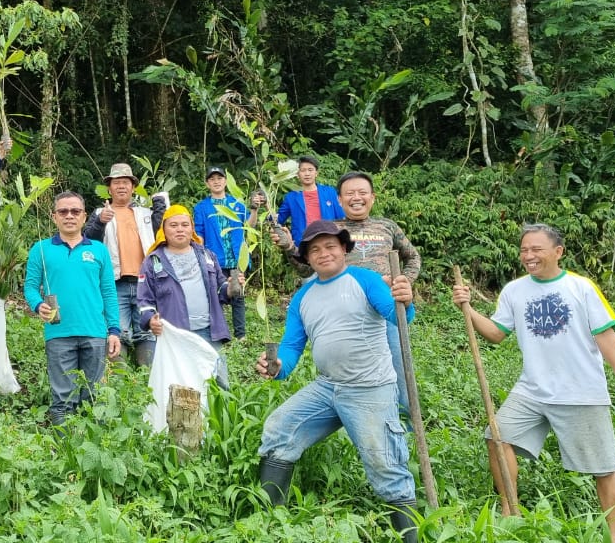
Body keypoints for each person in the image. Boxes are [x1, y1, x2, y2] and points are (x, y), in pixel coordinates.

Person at [451, 224, 615, 543]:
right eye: (524, 250)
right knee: (498, 437)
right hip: (532, 389)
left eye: (536, 249)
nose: (528, 255)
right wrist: (467, 308)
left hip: (580, 392)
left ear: (558, 252)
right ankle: (510, 512)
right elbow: (497, 334)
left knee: (604, 466)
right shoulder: (514, 290)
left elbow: (605, 334)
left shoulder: (581, 287)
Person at [253, 220, 418, 542]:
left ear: (344, 249)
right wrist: (276, 366)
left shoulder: (365, 279)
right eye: (314, 249)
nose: (323, 253)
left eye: (330, 246)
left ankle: (410, 535)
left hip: (370, 388)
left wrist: (404, 299)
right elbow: (291, 347)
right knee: (279, 428)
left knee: (384, 465)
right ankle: (270, 522)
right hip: (328, 386)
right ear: (307, 257)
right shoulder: (303, 297)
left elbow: (398, 316)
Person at [273, 171, 422, 413]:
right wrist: (290, 247)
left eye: (362, 192)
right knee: (352, 367)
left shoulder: (387, 226)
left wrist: (403, 282)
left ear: (372, 198)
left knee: (399, 364)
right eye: (349, 193)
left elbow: (412, 255)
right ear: (339, 200)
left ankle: (404, 418)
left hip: (385, 305)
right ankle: (353, 412)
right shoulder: (331, 230)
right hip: (346, 309)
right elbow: (304, 268)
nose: (356, 197)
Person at [24, 191, 121, 425]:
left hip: (95, 332)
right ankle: (65, 454)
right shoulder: (41, 249)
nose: (69, 216)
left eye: (75, 211)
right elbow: (29, 286)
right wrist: (38, 306)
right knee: (62, 400)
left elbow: (108, 292)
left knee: (93, 397)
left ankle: (91, 451)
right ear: (54, 216)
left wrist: (114, 330)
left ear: (84, 216)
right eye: (63, 211)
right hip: (58, 333)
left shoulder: (98, 250)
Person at [137, 205, 234, 388]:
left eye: (184, 224)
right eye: (173, 225)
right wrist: (151, 320)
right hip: (175, 335)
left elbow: (221, 288)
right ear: (163, 229)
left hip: (208, 332)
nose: (179, 229)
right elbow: (144, 300)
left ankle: (219, 417)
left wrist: (232, 288)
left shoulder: (207, 255)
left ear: (192, 228)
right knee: (180, 387)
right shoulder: (153, 261)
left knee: (218, 384)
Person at [82, 163, 165, 365]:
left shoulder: (145, 213)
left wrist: (161, 207)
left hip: (145, 282)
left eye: (125, 182)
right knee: (117, 329)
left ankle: (147, 378)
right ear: (109, 188)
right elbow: (88, 243)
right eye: (116, 182)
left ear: (133, 187)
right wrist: (100, 221)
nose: (121, 186)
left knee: (146, 330)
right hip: (114, 283)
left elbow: (162, 236)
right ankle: (120, 381)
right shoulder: (100, 212)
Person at [192, 166, 249, 340]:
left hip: (238, 257)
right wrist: (202, 256)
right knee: (217, 296)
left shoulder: (237, 204)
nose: (216, 182)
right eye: (212, 179)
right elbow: (198, 234)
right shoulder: (201, 207)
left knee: (238, 294)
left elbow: (249, 226)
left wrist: (254, 210)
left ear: (225, 181)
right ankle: (220, 333)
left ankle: (241, 335)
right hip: (214, 259)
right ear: (207, 183)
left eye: (219, 178)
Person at [275, 154, 344, 244]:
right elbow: (277, 219)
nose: (307, 173)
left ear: (316, 173)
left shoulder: (329, 192)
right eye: (303, 170)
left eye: (310, 170)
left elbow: (341, 218)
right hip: (303, 243)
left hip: (329, 240)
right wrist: (265, 205)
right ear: (297, 174)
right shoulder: (291, 197)